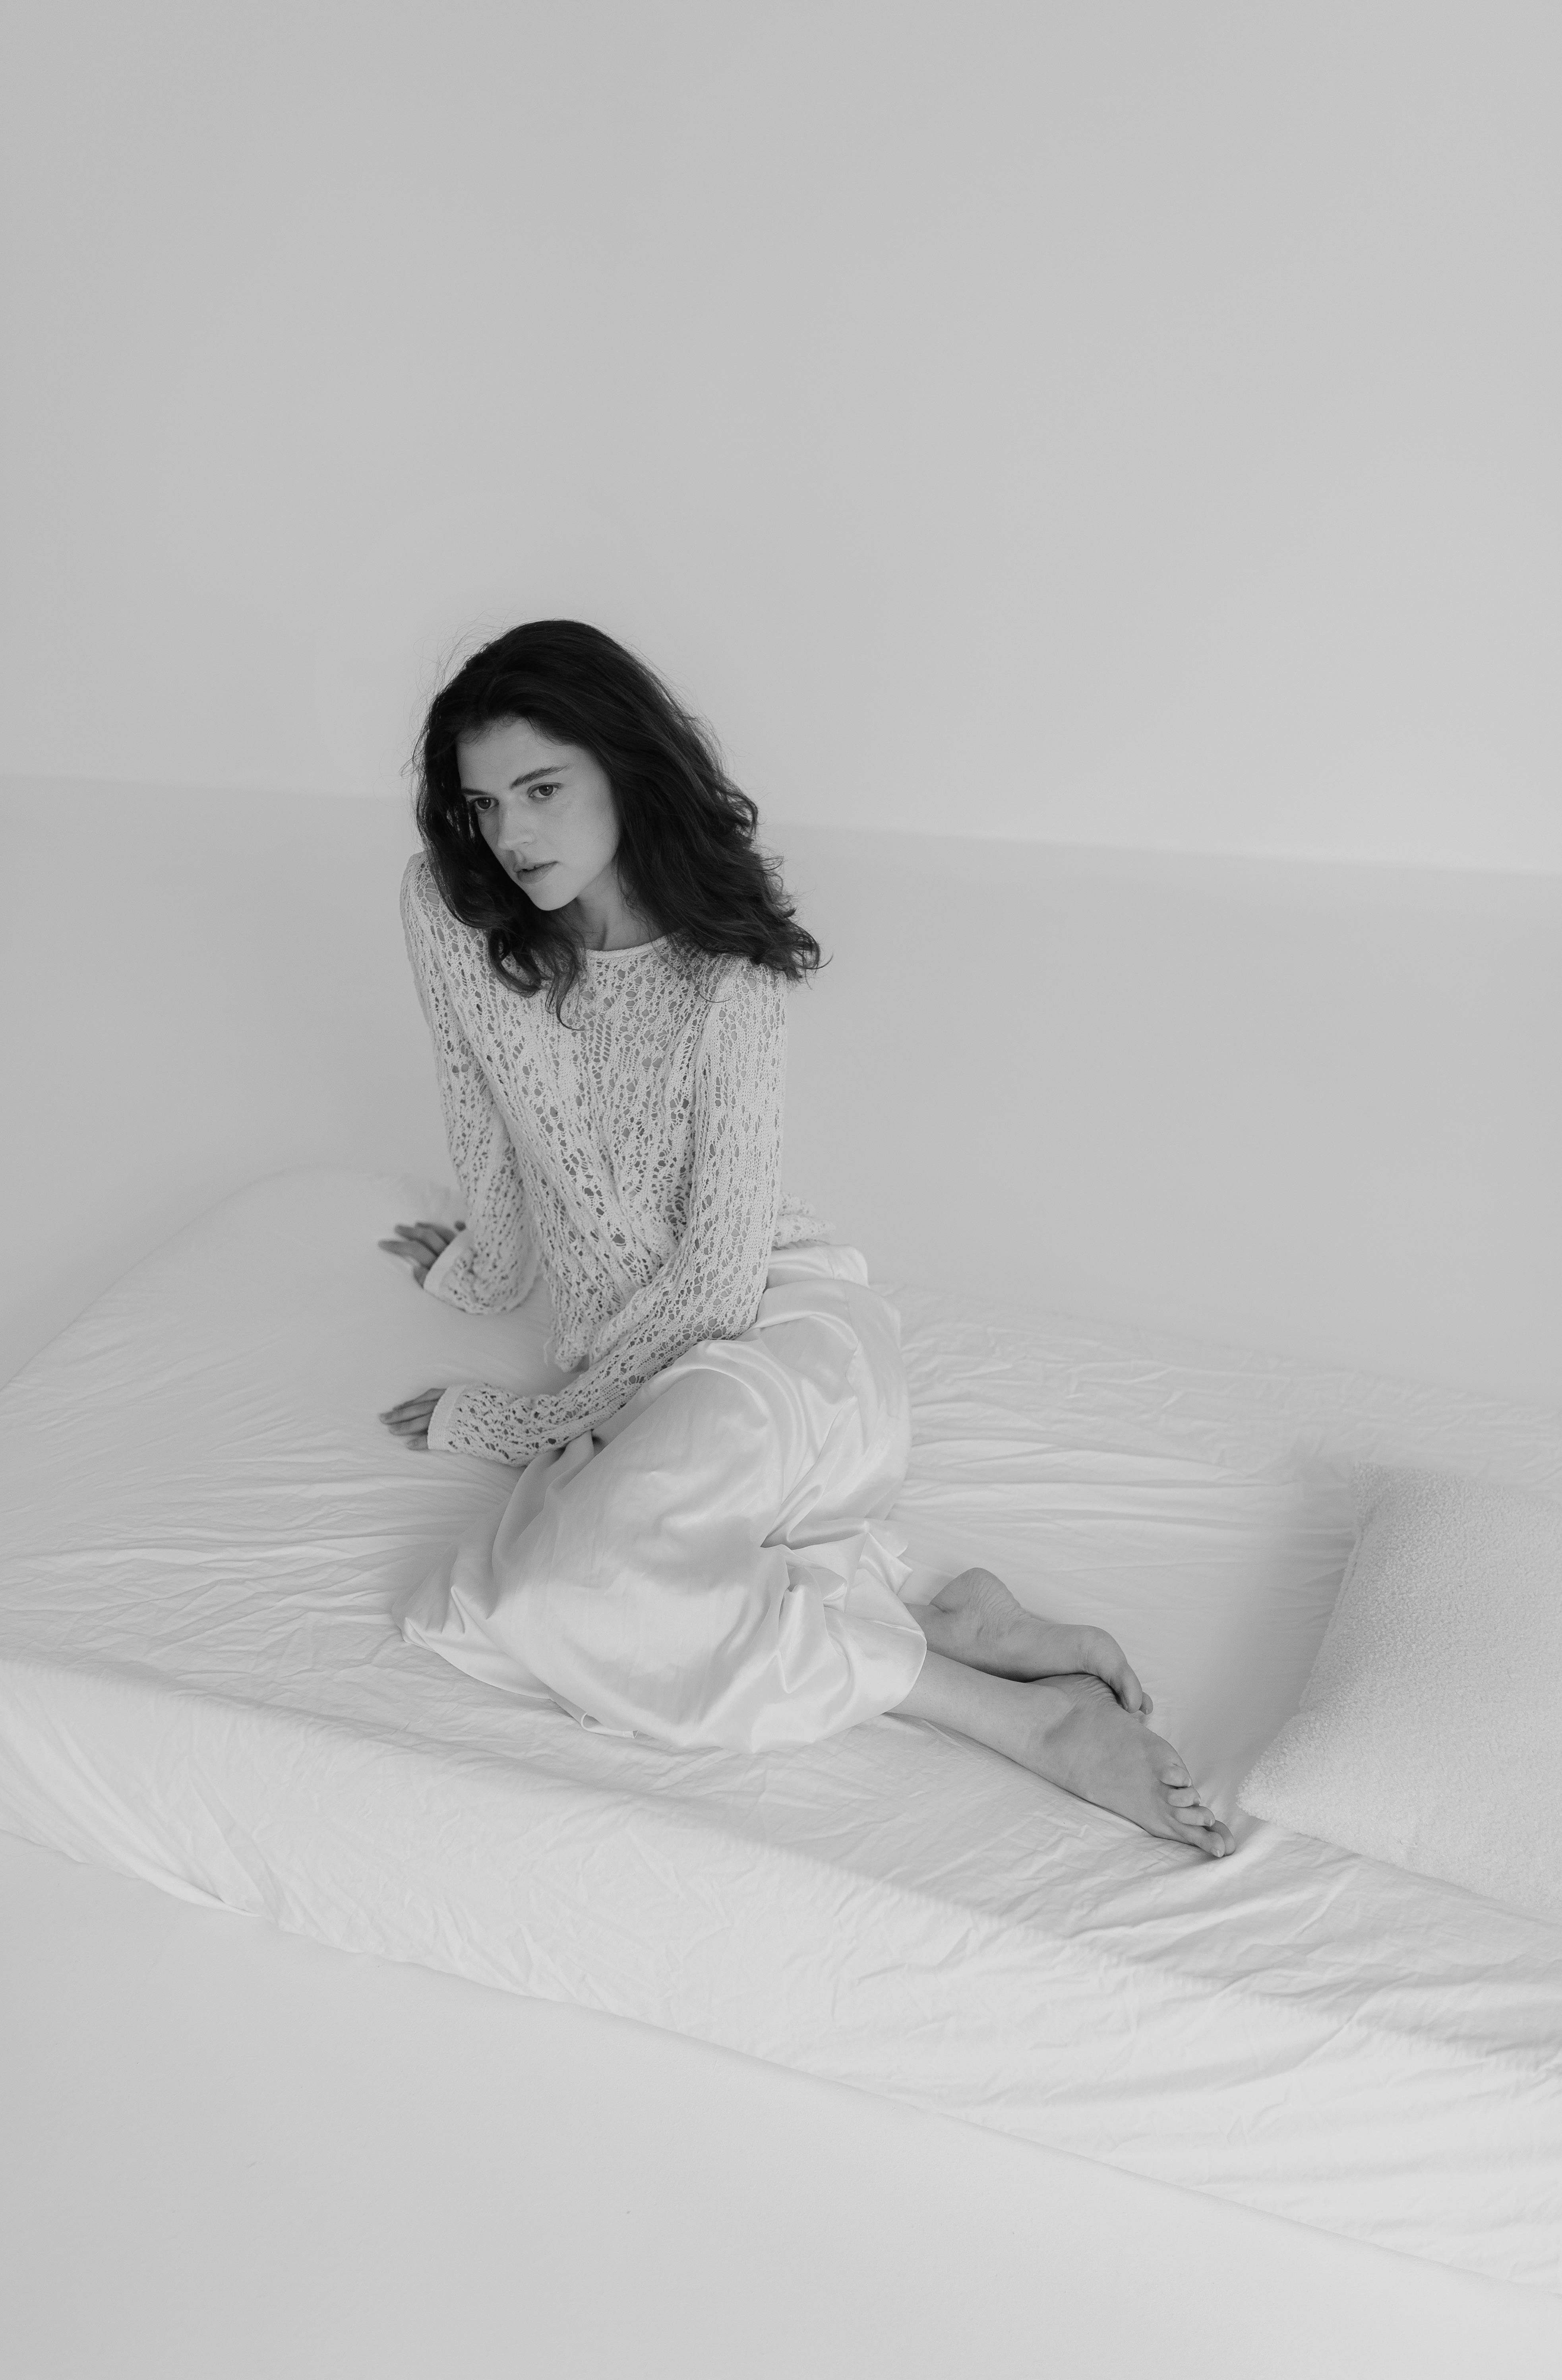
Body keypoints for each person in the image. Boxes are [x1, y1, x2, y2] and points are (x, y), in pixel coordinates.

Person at [379, 620, 1234, 1857]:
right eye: (484, 803)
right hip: (649, 1361)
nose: (511, 834)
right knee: (562, 1584)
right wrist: (488, 1266)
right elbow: (483, 1112)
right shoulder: (454, 911)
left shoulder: (727, 983)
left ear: (623, 766)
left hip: (765, 1333)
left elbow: (717, 1284)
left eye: (543, 789)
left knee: (569, 1585)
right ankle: (942, 1619)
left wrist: (533, 1423)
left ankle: (1031, 1723)